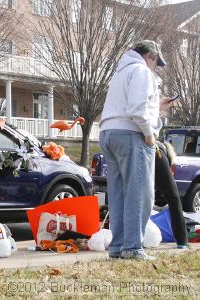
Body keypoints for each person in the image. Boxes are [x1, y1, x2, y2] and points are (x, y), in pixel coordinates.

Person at [99, 40, 171, 260]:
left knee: (119, 193)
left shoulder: (120, 73)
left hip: (108, 133)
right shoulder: (142, 72)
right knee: (140, 193)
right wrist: (149, 134)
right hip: (131, 134)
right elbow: (137, 109)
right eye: (156, 62)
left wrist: (157, 108)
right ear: (149, 55)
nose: (155, 67)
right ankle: (132, 247)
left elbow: (129, 105)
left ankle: (118, 247)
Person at [155, 141, 188, 248]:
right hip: (155, 152)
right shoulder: (163, 152)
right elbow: (166, 192)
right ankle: (182, 241)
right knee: (174, 199)